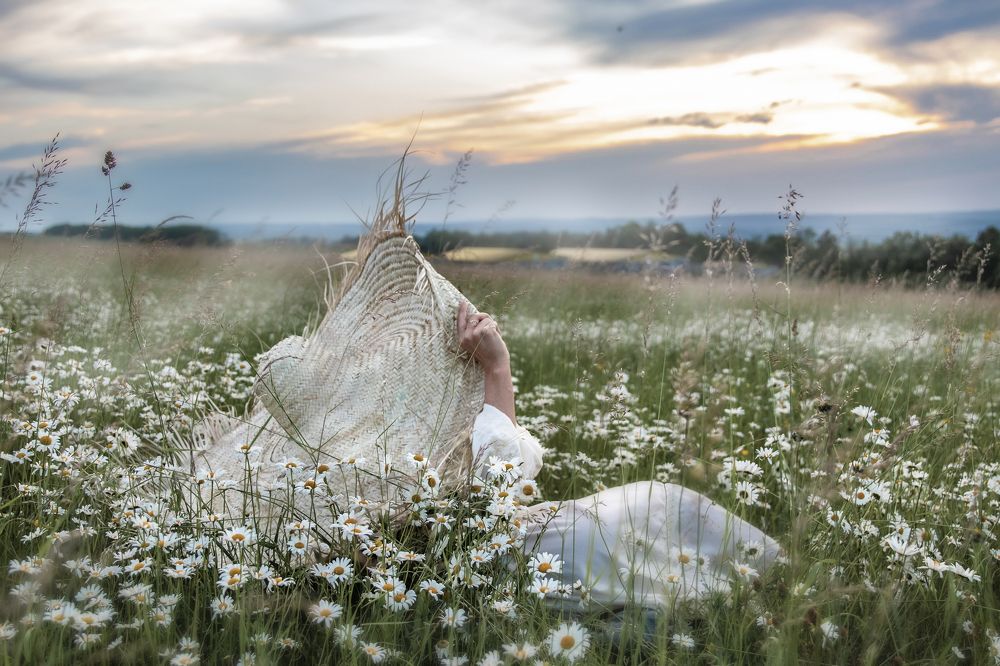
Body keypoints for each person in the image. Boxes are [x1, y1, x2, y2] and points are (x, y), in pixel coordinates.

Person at [456, 300, 783, 613]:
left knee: (667, 511)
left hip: (522, 547)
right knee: (666, 521)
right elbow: (501, 488)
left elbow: (507, 478)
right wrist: (498, 369)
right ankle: (774, 589)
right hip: (513, 557)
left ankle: (764, 589)